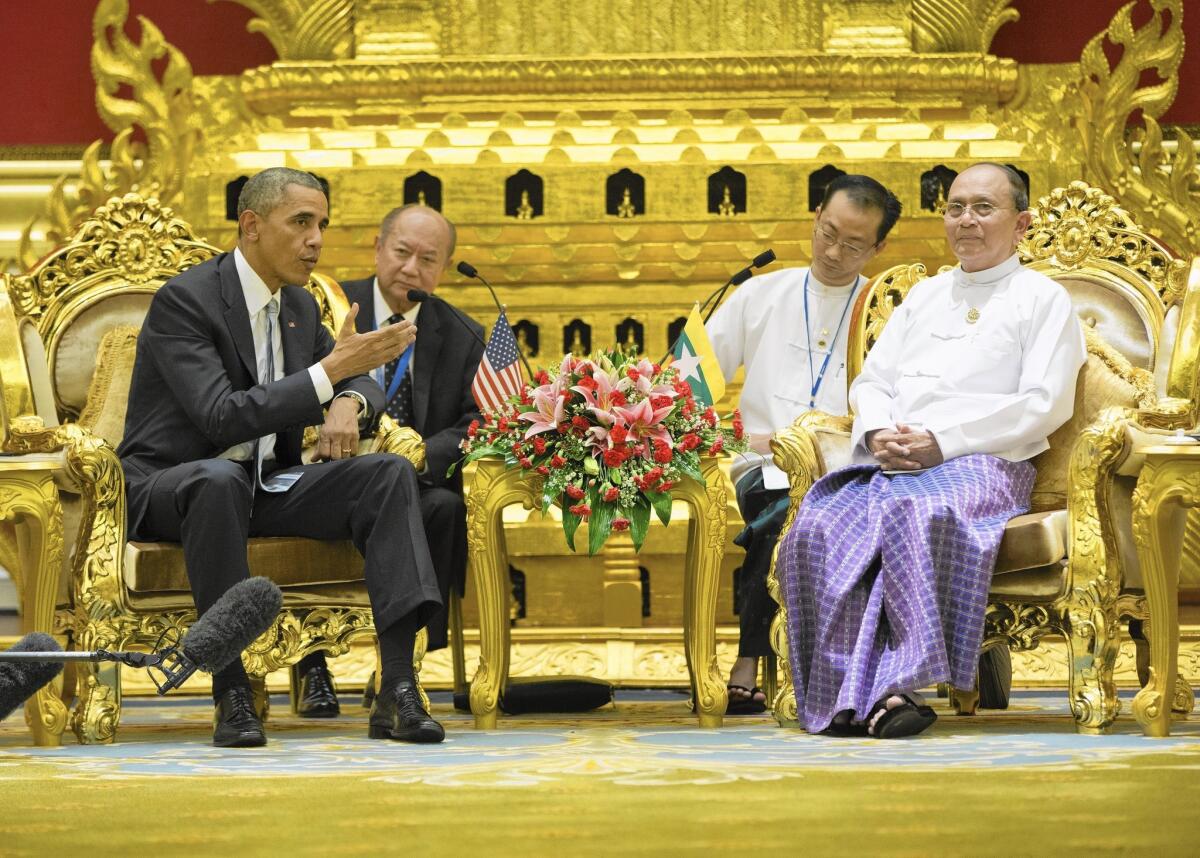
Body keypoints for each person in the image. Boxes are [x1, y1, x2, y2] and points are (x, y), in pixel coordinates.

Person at [118, 167, 447, 746]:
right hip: (173, 486)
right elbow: (221, 417)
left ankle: (398, 686)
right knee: (218, 479)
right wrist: (332, 374)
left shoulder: (297, 305)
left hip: (264, 484)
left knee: (388, 473)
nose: (316, 239)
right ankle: (232, 690)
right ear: (251, 225)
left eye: (321, 224)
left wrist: (347, 398)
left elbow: (358, 379)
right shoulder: (186, 302)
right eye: (301, 223)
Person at [776, 162, 1086, 738]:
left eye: (983, 208)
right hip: (893, 460)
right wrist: (875, 434)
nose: (966, 220)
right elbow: (871, 383)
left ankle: (900, 688)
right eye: (956, 208)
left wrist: (944, 444)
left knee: (914, 513)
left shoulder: (1043, 299)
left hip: (984, 464)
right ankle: (847, 693)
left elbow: (1046, 404)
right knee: (817, 522)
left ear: (1021, 224)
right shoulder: (923, 296)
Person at [707, 174, 901, 714]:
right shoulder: (759, 294)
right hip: (763, 463)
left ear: (879, 247)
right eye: (828, 233)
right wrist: (743, 437)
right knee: (782, 508)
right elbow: (686, 385)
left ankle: (844, 664)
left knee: (824, 511)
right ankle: (753, 656)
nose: (835, 252)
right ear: (816, 215)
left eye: (854, 244)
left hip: (854, 467)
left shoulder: (890, 311)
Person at [291, 204, 483, 717]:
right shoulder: (325, 307)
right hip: (325, 470)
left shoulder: (461, 333)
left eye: (428, 259)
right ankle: (311, 668)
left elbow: (477, 421)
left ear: (442, 269)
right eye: (401, 252)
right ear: (378, 248)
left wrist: (418, 456)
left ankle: (399, 668)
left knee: (444, 508)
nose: (411, 268)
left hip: (409, 477)